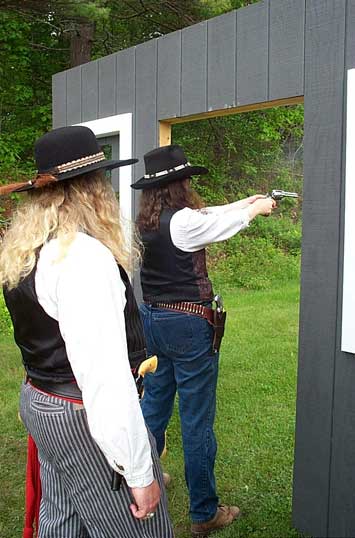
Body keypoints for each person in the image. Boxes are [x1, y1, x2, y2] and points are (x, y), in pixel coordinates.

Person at [0, 126, 174, 538]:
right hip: (80, 415)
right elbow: (105, 381)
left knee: (62, 521)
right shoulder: (81, 258)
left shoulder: (28, 249)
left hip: (42, 401)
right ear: (94, 189)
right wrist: (138, 470)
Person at [131, 144, 275, 537]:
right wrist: (253, 211)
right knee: (196, 423)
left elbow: (210, 215)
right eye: (186, 179)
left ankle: (142, 478)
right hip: (189, 326)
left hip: (154, 322)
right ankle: (204, 511)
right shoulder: (183, 222)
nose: (190, 183)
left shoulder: (148, 221)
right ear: (179, 184)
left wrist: (249, 200)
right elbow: (219, 224)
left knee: (153, 409)